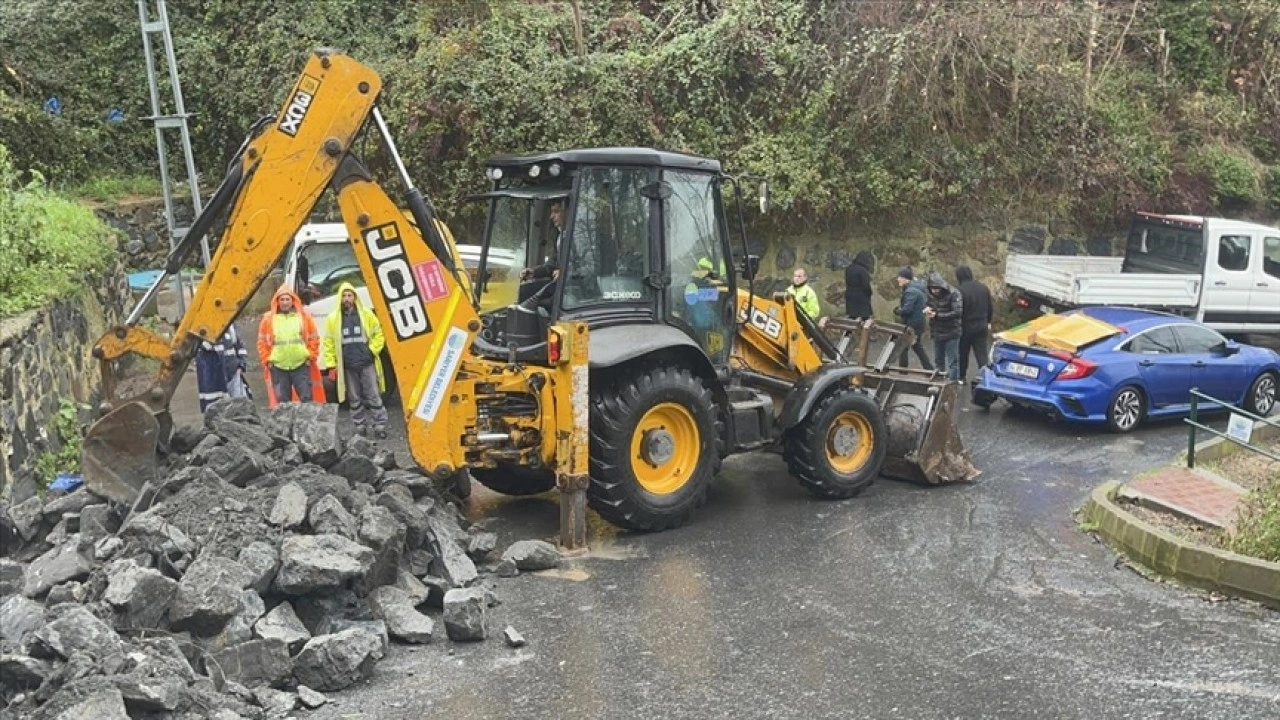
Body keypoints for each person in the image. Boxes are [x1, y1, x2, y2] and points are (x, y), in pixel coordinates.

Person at [322, 283, 389, 439]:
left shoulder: (366, 314)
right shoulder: (333, 319)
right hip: (348, 364)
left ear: (354, 297)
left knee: (373, 394)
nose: (347, 299)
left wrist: (371, 351)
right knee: (354, 397)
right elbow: (329, 342)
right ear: (340, 298)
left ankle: (380, 425)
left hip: (366, 362)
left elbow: (379, 333)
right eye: (344, 296)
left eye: (349, 295)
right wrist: (331, 364)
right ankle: (360, 426)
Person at [257, 286, 324, 407]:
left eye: (287, 299)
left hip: (300, 364)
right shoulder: (268, 319)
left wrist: (311, 356)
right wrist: (267, 360)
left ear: (293, 300)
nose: (285, 302)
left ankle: (306, 425)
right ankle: (286, 426)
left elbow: (314, 338)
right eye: (282, 299)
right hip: (278, 366)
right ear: (277, 301)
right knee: (283, 403)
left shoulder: (303, 316)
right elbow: (261, 342)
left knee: (306, 400)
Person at [518, 200, 564, 306]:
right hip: (558, 284)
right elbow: (552, 263)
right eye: (551, 212)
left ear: (567, 211)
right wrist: (534, 272)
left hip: (572, 288)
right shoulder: (560, 236)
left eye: (556, 212)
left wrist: (565, 273)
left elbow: (588, 266)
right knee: (525, 290)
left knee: (541, 303)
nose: (551, 216)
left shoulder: (578, 237)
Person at [195, 326, 250, 412]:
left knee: (240, 405)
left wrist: (241, 364)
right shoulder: (202, 328)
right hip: (215, 376)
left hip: (233, 371)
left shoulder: (231, 327)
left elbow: (239, 345)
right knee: (217, 407)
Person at [955, 265, 993, 381]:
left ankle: (962, 377)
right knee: (981, 353)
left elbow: (958, 310)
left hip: (965, 326)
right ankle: (986, 377)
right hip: (982, 325)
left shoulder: (959, 290)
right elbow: (990, 307)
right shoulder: (983, 288)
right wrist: (988, 321)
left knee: (963, 352)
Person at [924, 271, 964, 381]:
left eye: (937, 288)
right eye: (932, 288)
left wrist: (937, 315)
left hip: (952, 331)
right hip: (937, 331)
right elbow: (928, 303)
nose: (935, 291)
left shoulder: (954, 293)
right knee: (938, 360)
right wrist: (928, 309)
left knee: (953, 361)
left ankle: (952, 385)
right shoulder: (930, 294)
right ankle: (939, 382)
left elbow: (957, 312)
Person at [892, 267, 933, 370]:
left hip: (912, 325)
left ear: (906, 279)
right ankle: (929, 369)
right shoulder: (914, 289)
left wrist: (897, 310)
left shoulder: (911, 292)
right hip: (918, 323)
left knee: (903, 347)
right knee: (916, 346)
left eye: (900, 277)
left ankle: (903, 371)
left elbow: (907, 309)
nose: (898, 279)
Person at [844, 250, 875, 321]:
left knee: (852, 318)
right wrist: (869, 292)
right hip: (861, 298)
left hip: (850, 296)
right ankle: (865, 332)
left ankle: (847, 331)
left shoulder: (849, 269)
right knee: (865, 318)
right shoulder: (863, 271)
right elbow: (865, 285)